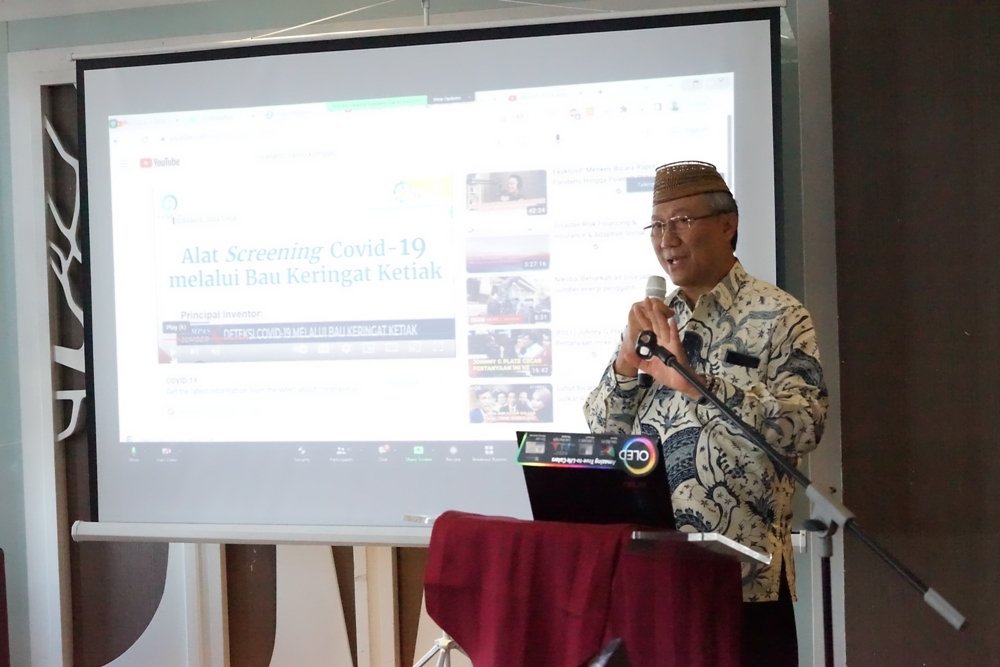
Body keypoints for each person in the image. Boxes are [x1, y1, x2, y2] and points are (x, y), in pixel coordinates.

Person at [583, 160, 828, 667]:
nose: (666, 239)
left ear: (727, 225)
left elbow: (804, 425)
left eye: (681, 221)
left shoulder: (780, 315)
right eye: (657, 225)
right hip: (652, 578)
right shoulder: (653, 321)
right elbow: (605, 432)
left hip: (744, 582)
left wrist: (698, 386)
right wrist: (626, 363)